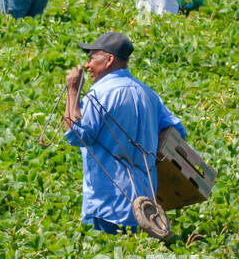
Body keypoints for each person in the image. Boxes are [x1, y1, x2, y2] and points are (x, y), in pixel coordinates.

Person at [62, 32, 187, 234]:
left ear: (109, 60)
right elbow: (177, 132)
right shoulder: (148, 93)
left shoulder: (100, 94)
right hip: (145, 205)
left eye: (92, 57)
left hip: (108, 203)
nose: (87, 65)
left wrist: (73, 91)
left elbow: (76, 135)